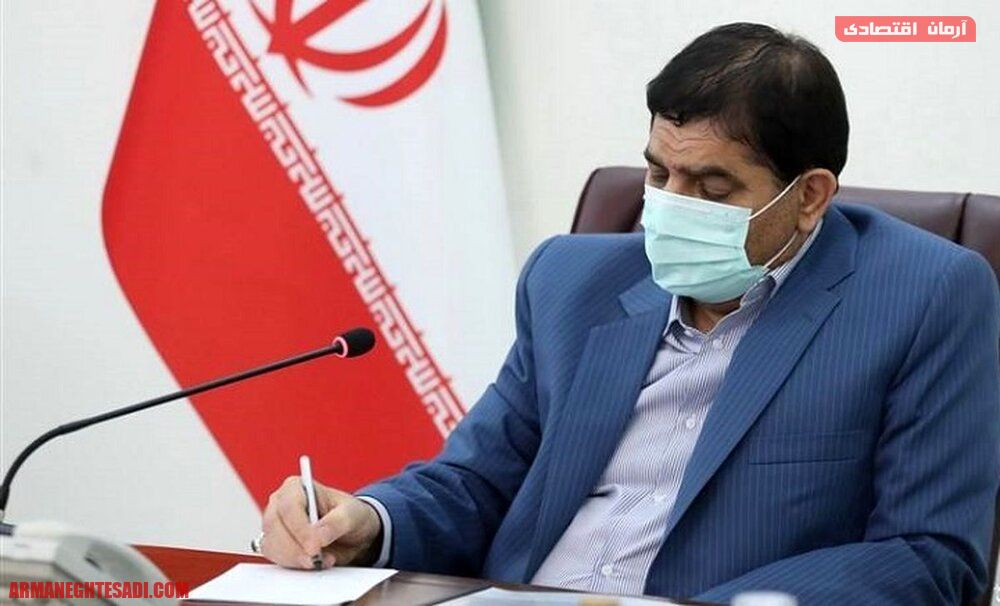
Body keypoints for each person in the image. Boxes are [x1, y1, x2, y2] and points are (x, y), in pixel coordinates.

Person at [257, 23, 1000, 605]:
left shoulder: (926, 297)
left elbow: (928, 556)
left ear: (809, 196)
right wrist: (367, 521)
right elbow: (480, 482)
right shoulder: (569, 282)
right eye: (658, 171)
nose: (669, 206)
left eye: (712, 188)